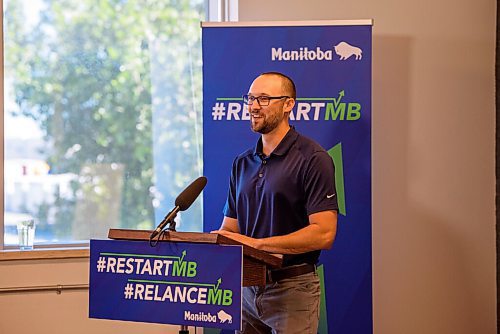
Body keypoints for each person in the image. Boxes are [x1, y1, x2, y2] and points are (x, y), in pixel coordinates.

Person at [214, 72, 338, 334]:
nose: (254, 106)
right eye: (250, 98)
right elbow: (230, 229)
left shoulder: (314, 159)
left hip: (293, 291)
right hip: (246, 289)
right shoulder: (242, 162)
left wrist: (259, 245)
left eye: (264, 98)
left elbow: (324, 234)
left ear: (288, 105)